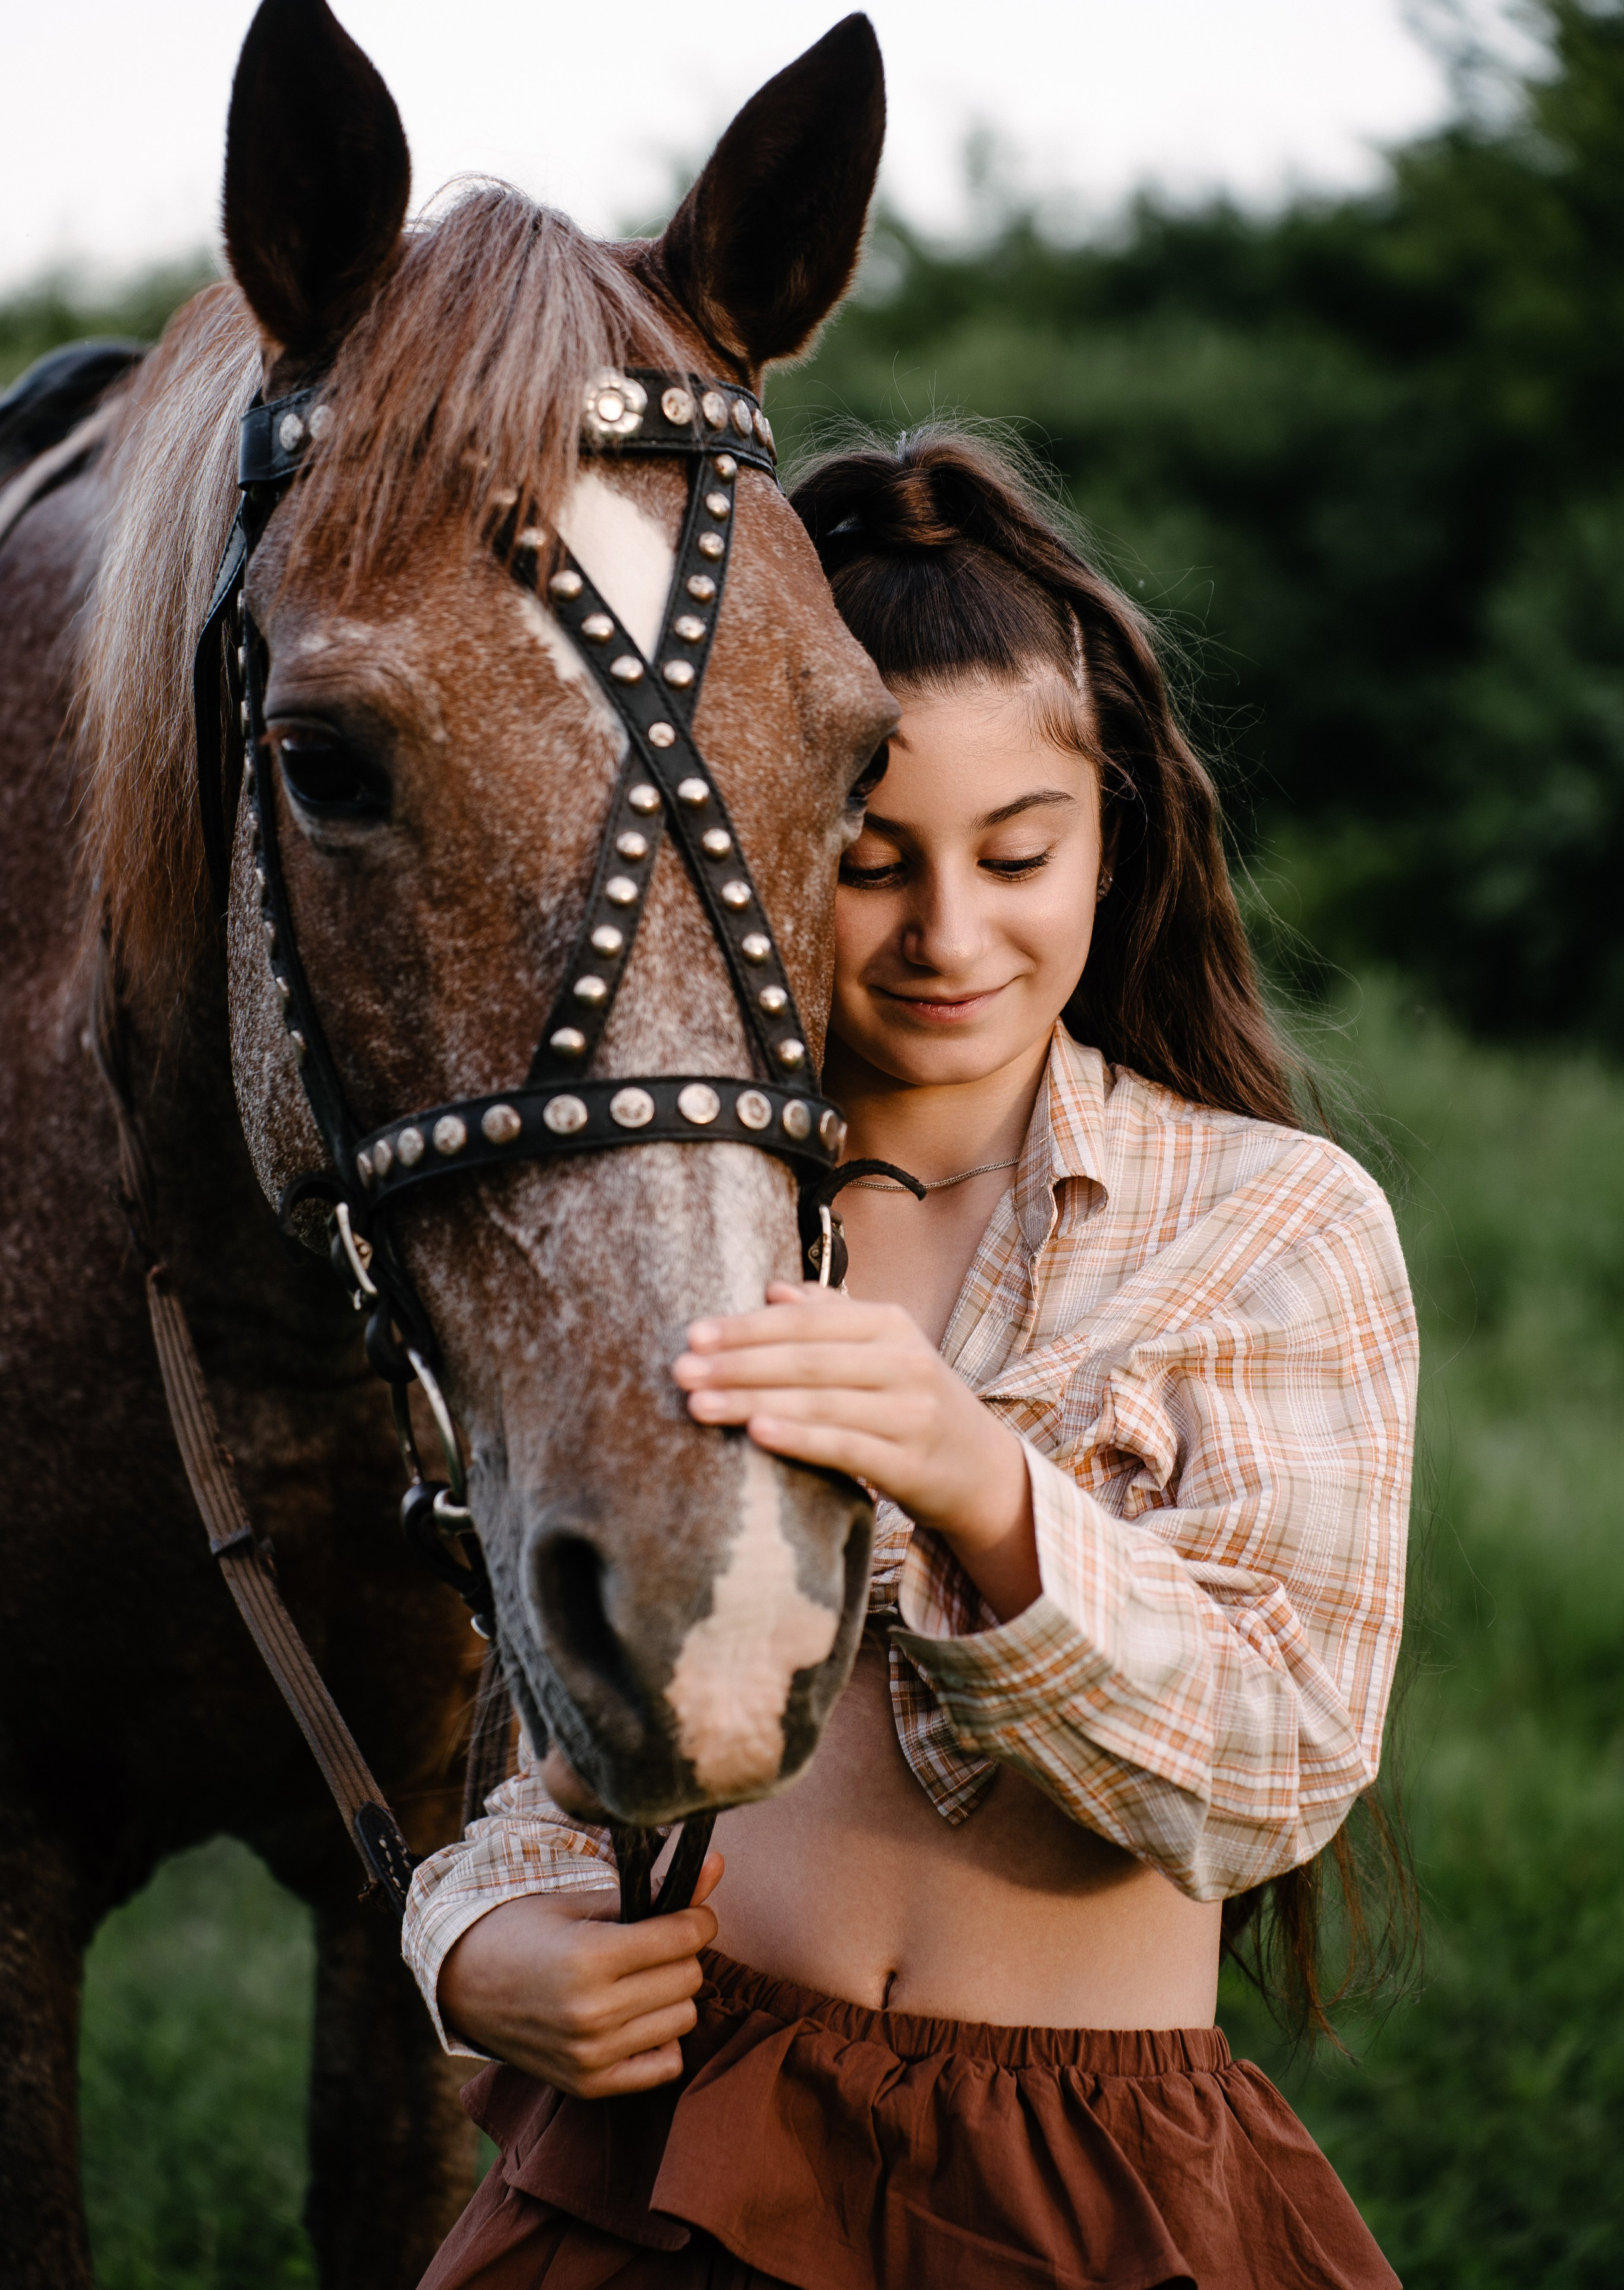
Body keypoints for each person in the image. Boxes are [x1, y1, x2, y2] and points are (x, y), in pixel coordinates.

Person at [405, 430, 1417, 2290]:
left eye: (1019, 853)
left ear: (1114, 837)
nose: (952, 934)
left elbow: (1275, 1767)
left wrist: (982, 1488)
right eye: (869, 865)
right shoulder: (686, 1225)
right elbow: (559, 1742)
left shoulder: (1274, 1226)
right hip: (680, 2149)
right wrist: (476, 1944)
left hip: (1076, 2173)